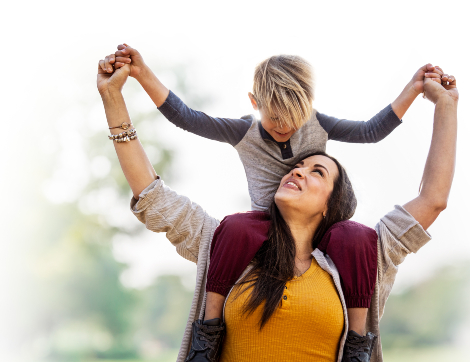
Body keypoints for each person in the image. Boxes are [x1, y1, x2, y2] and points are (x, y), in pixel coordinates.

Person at [97, 52, 458, 362]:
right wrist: (113, 96)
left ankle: (358, 345)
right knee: (238, 225)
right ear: (255, 104)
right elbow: (152, 192)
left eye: (316, 170)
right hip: (244, 241)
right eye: (296, 167)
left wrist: (445, 105)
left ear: (332, 203)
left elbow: (432, 198)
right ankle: (206, 334)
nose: (296, 170)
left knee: (356, 238)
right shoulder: (227, 243)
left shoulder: (361, 256)